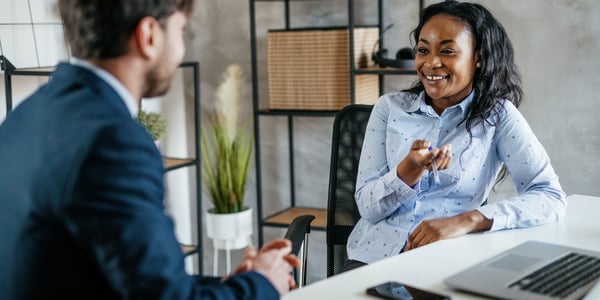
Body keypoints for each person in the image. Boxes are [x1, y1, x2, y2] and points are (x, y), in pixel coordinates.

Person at [0, 0, 299, 299]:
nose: (182, 49)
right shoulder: (113, 141)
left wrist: (229, 285)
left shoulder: (25, 117)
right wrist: (262, 283)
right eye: (181, 31)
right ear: (149, 36)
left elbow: (131, 282)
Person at [344, 0, 566, 270]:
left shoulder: (498, 116)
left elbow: (549, 196)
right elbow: (368, 209)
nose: (431, 62)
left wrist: (468, 220)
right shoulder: (388, 109)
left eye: (447, 50)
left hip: (449, 261)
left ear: (478, 57)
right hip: (373, 260)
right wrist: (408, 170)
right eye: (423, 50)